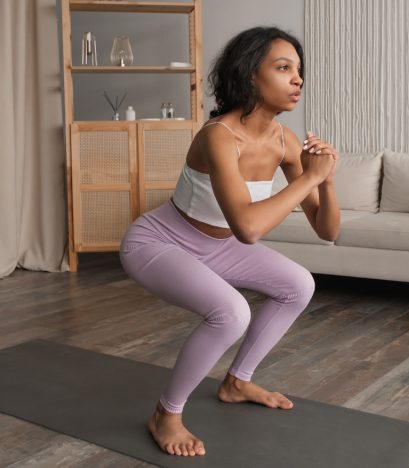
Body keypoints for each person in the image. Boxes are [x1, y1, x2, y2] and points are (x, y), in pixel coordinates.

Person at [119, 26, 339, 457]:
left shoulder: (285, 141)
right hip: (158, 243)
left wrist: (326, 180)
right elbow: (249, 229)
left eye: (299, 70)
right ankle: (167, 414)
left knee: (299, 284)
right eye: (283, 68)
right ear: (251, 76)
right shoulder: (219, 136)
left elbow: (328, 231)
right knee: (230, 312)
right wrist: (308, 178)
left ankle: (237, 382)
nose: (297, 79)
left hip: (218, 248)